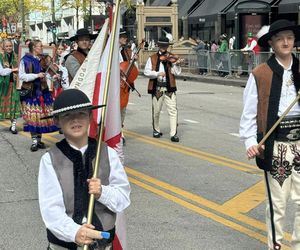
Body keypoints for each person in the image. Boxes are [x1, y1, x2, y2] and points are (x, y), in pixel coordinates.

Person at [38, 88, 131, 250]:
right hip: (64, 245)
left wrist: (103, 192)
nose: (75, 120)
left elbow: (123, 198)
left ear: (90, 117)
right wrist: (75, 232)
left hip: (102, 244)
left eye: (81, 113)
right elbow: (50, 209)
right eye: (67, 115)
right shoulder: (50, 160)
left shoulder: (107, 153)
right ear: (57, 121)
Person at [240, 19, 300, 250]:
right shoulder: (260, 74)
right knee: (278, 204)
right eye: (280, 38)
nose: (286, 42)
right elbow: (249, 113)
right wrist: (250, 141)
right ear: (272, 43)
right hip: (275, 146)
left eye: (290, 37)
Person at [19, 39, 59, 151]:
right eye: (39, 46)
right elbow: (22, 76)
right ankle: (34, 141)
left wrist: (53, 77)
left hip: (43, 91)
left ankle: (39, 140)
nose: (41, 48)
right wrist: (36, 75)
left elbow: (48, 74)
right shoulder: (25, 60)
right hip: (31, 92)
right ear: (33, 48)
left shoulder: (43, 59)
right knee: (33, 117)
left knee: (41, 117)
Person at [144, 36, 182, 142]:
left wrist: (177, 65)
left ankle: (173, 133)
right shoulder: (152, 58)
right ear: (159, 46)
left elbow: (176, 73)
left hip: (170, 88)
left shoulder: (171, 57)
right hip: (157, 87)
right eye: (162, 45)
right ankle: (156, 129)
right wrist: (157, 73)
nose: (164, 48)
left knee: (173, 111)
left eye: (166, 46)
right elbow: (146, 72)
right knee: (156, 111)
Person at [119, 29, 138, 144]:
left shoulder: (127, 52)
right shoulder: (110, 52)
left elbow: (133, 70)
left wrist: (133, 61)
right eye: (123, 36)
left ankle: (119, 130)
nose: (125, 38)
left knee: (123, 110)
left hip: (125, 85)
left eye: (125, 36)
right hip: (114, 85)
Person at [0, 39, 20, 133]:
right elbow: (2, 72)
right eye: (7, 46)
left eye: (10, 46)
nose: (9, 48)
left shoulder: (16, 56)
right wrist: (13, 69)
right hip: (4, 85)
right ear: (3, 47)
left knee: (15, 104)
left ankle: (13, 126)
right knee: (4, 105)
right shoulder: (0, 57)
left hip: (15, 84)